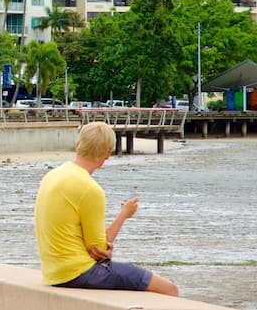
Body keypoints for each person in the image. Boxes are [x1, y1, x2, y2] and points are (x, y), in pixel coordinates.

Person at [34, 121, 178, 296]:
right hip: (78, 272)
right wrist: (124, 214)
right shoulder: (90, 189)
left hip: (53, 273)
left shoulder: (52, 175)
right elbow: (99, 249)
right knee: (169, 288)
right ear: (108, 154)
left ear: (78, 145)